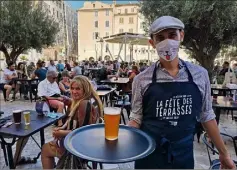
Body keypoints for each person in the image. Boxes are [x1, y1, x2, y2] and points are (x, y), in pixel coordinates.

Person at [128, 16, 236, 169]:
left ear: (181, 36)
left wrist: (224, 153)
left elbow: (206, 115)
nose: (167, 42)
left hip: (183, 157)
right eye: (160, 38)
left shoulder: (200, 75)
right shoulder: (141, 79)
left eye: (172, 35)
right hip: (148, 157)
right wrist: (123, 138)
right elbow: (136, 118)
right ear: (152, 43)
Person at [41, 75, 103, 169]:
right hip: (91, 144)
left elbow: (82, 133)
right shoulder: (88, 100)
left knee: (45, 150)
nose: (74, 91)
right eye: (72, 88)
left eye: (78, 89)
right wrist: (70, 101)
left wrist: (61, 133)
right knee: (47, 147)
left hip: (79, 149)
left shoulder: (84, 104)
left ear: (85, 89)